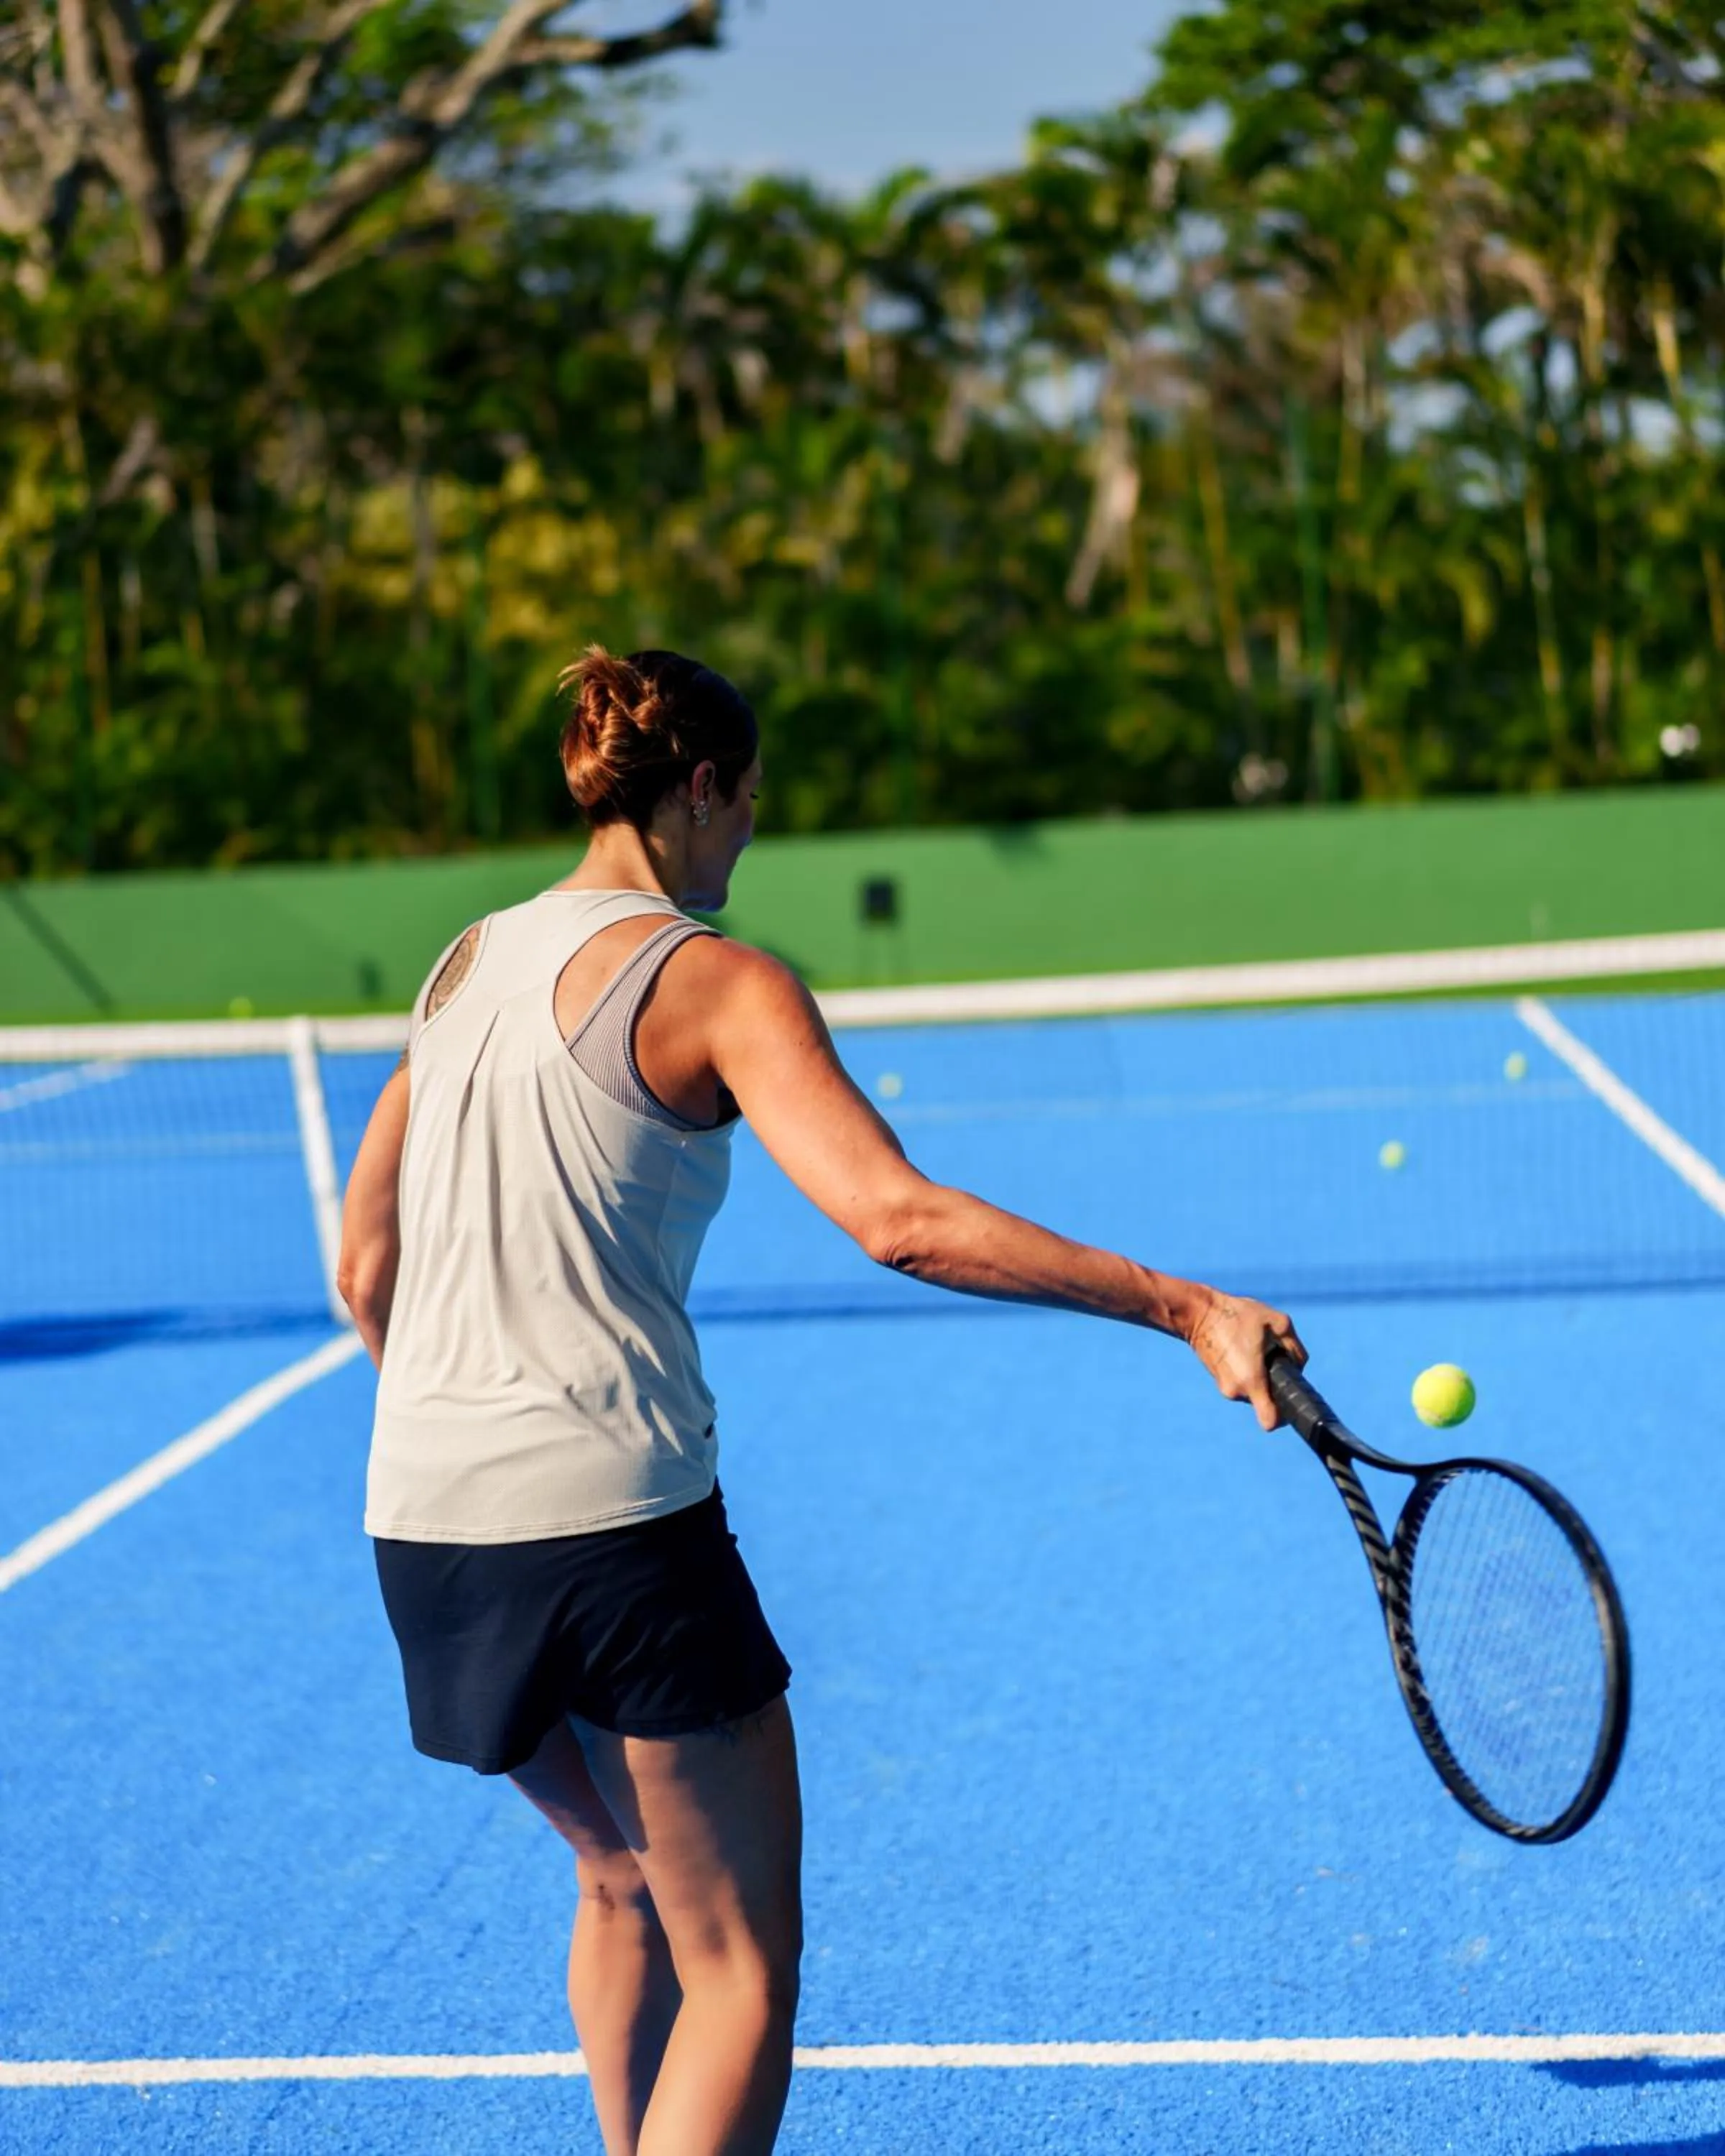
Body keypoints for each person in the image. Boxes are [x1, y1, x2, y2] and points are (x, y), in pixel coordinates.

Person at [338, 645, 1306, 2156]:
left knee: (619, 1882)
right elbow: (898, 1219)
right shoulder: (713, 980)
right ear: (704, 787)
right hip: (614, 1531)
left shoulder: (459, 964)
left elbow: (360, 1260)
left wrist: (457, 1418)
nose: (747, 840)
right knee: (743, 1972)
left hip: (422, 1529)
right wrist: (1183, 1306)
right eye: (747, 805)